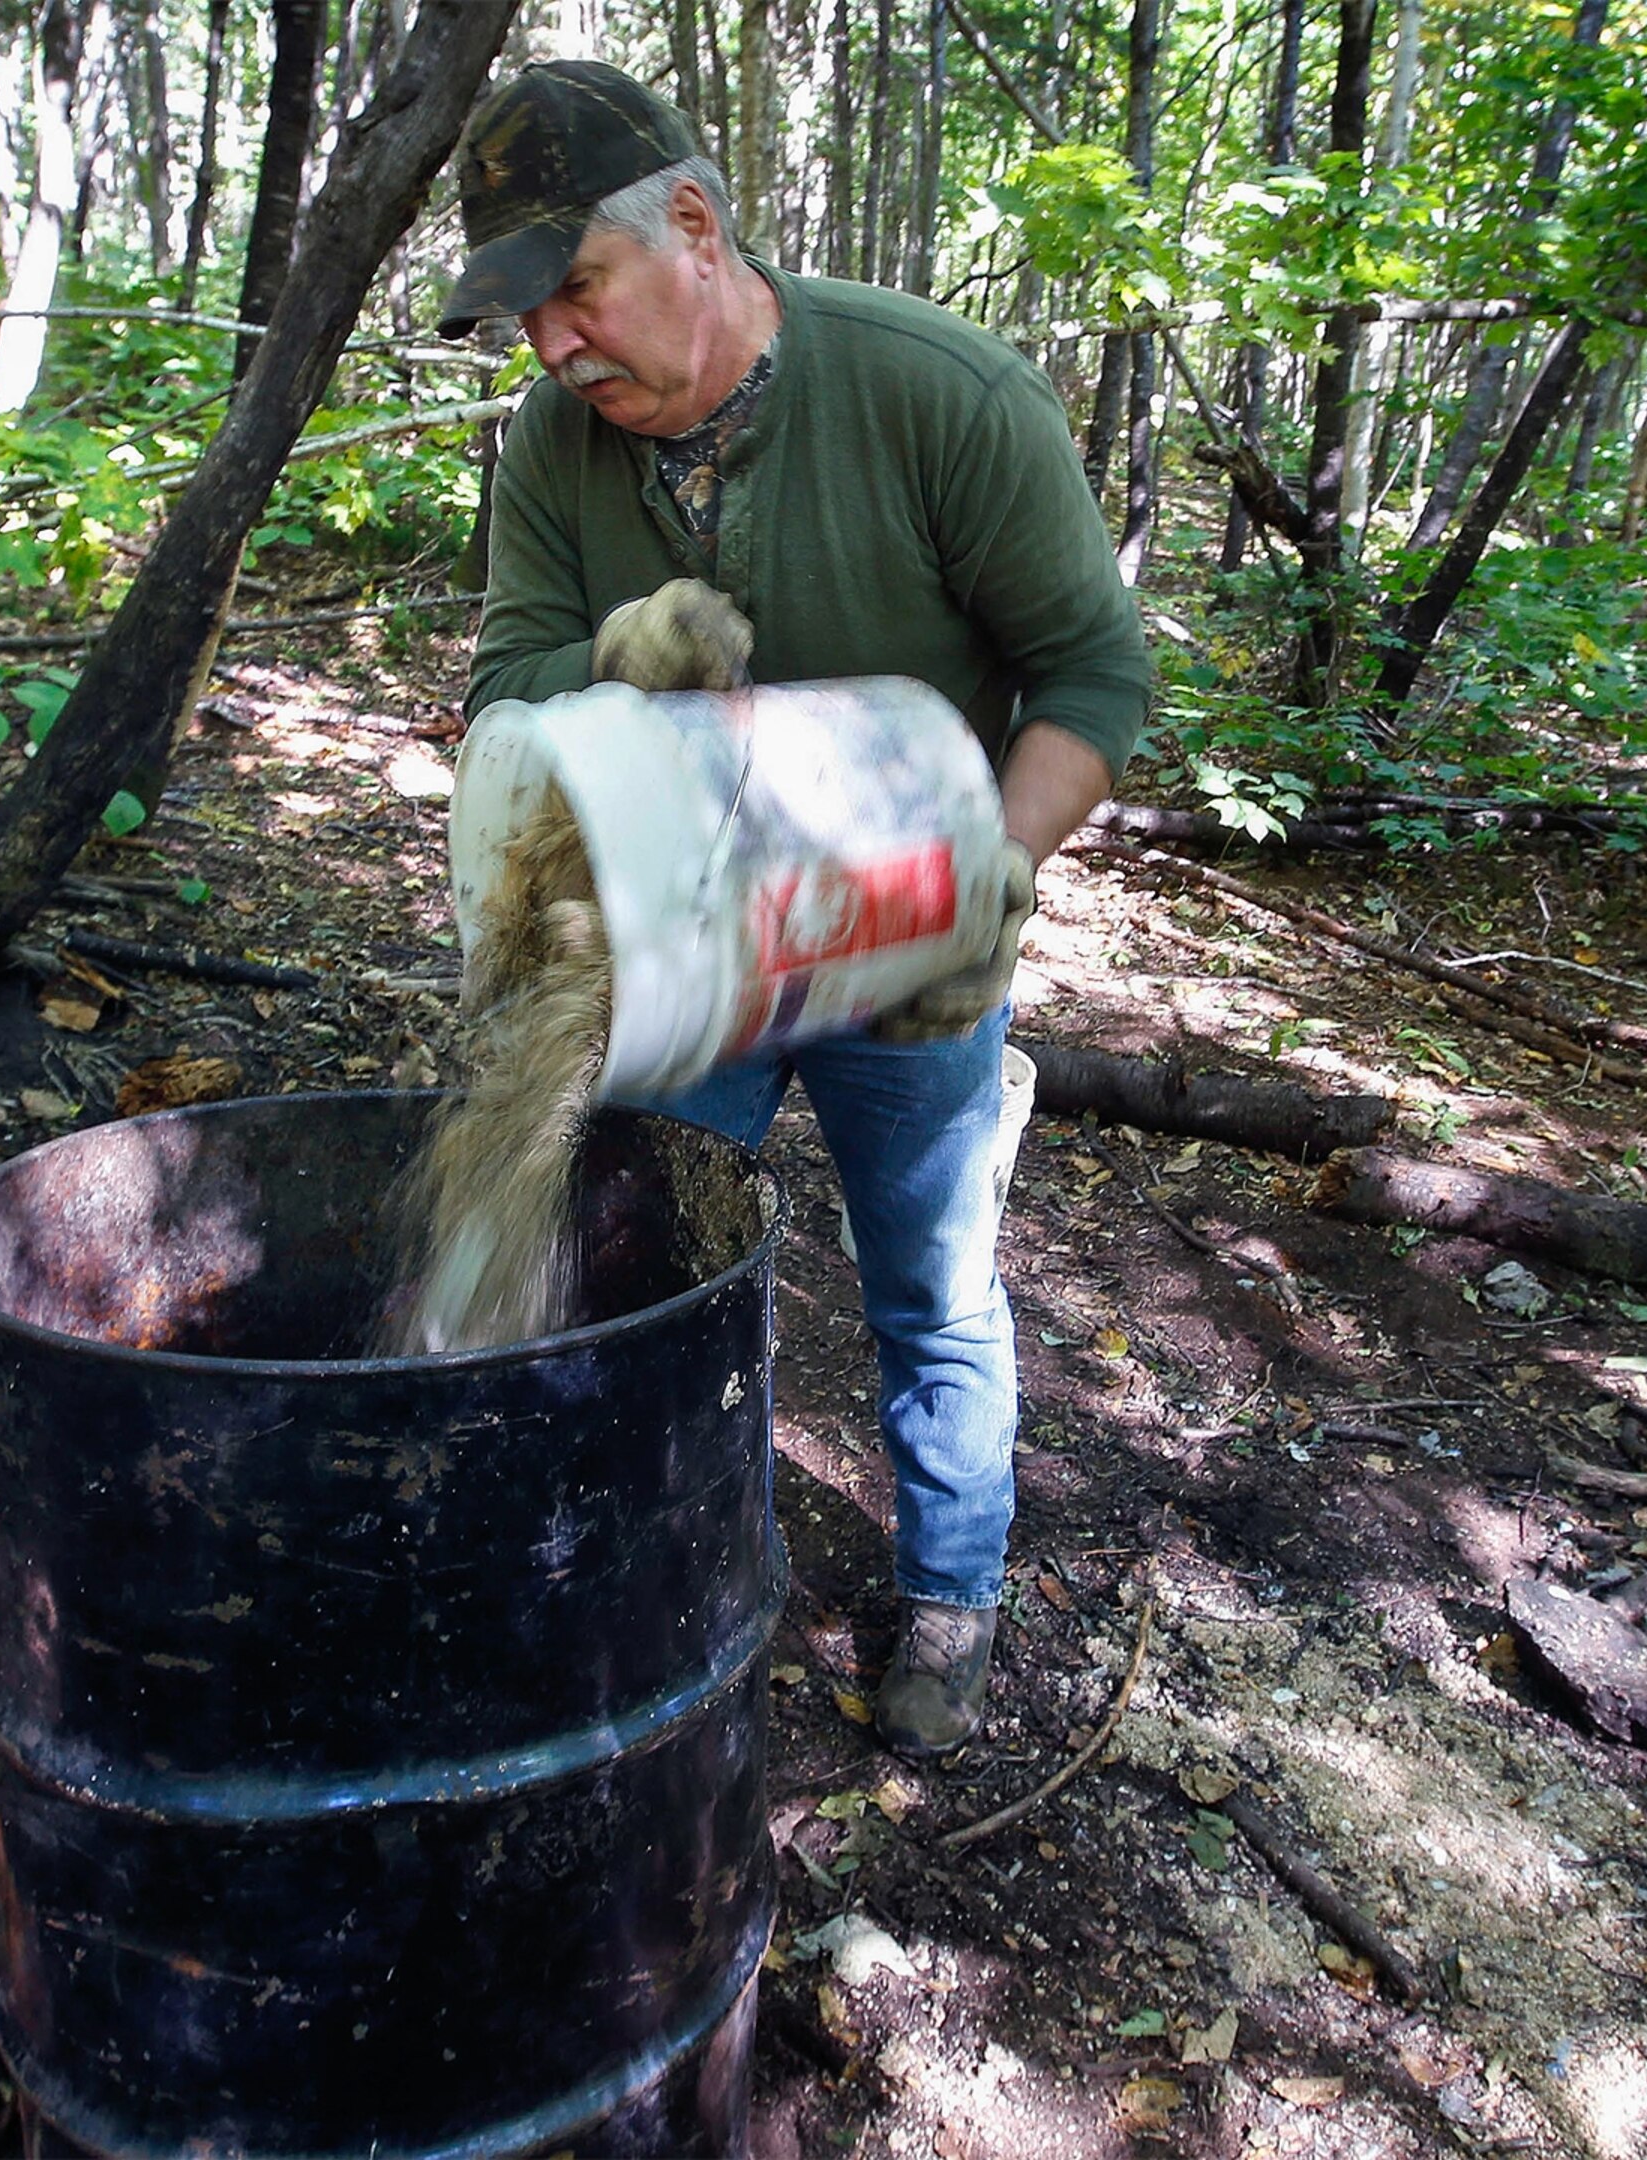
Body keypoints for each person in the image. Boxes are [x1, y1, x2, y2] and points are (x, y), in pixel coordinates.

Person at [443, 60, 1151, 1756]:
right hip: (688, 955)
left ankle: (953, 1595)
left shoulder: (936, 395)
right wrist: (626, 664)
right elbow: (510, 683)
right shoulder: (557, 445)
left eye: (574, 293)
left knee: (931, 1283)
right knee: (654, 1261)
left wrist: (992, 874)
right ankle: (674, 1571)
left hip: (916, 940)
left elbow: (1092, 674)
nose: (552, 347)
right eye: (527, 317)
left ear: (694, 228)